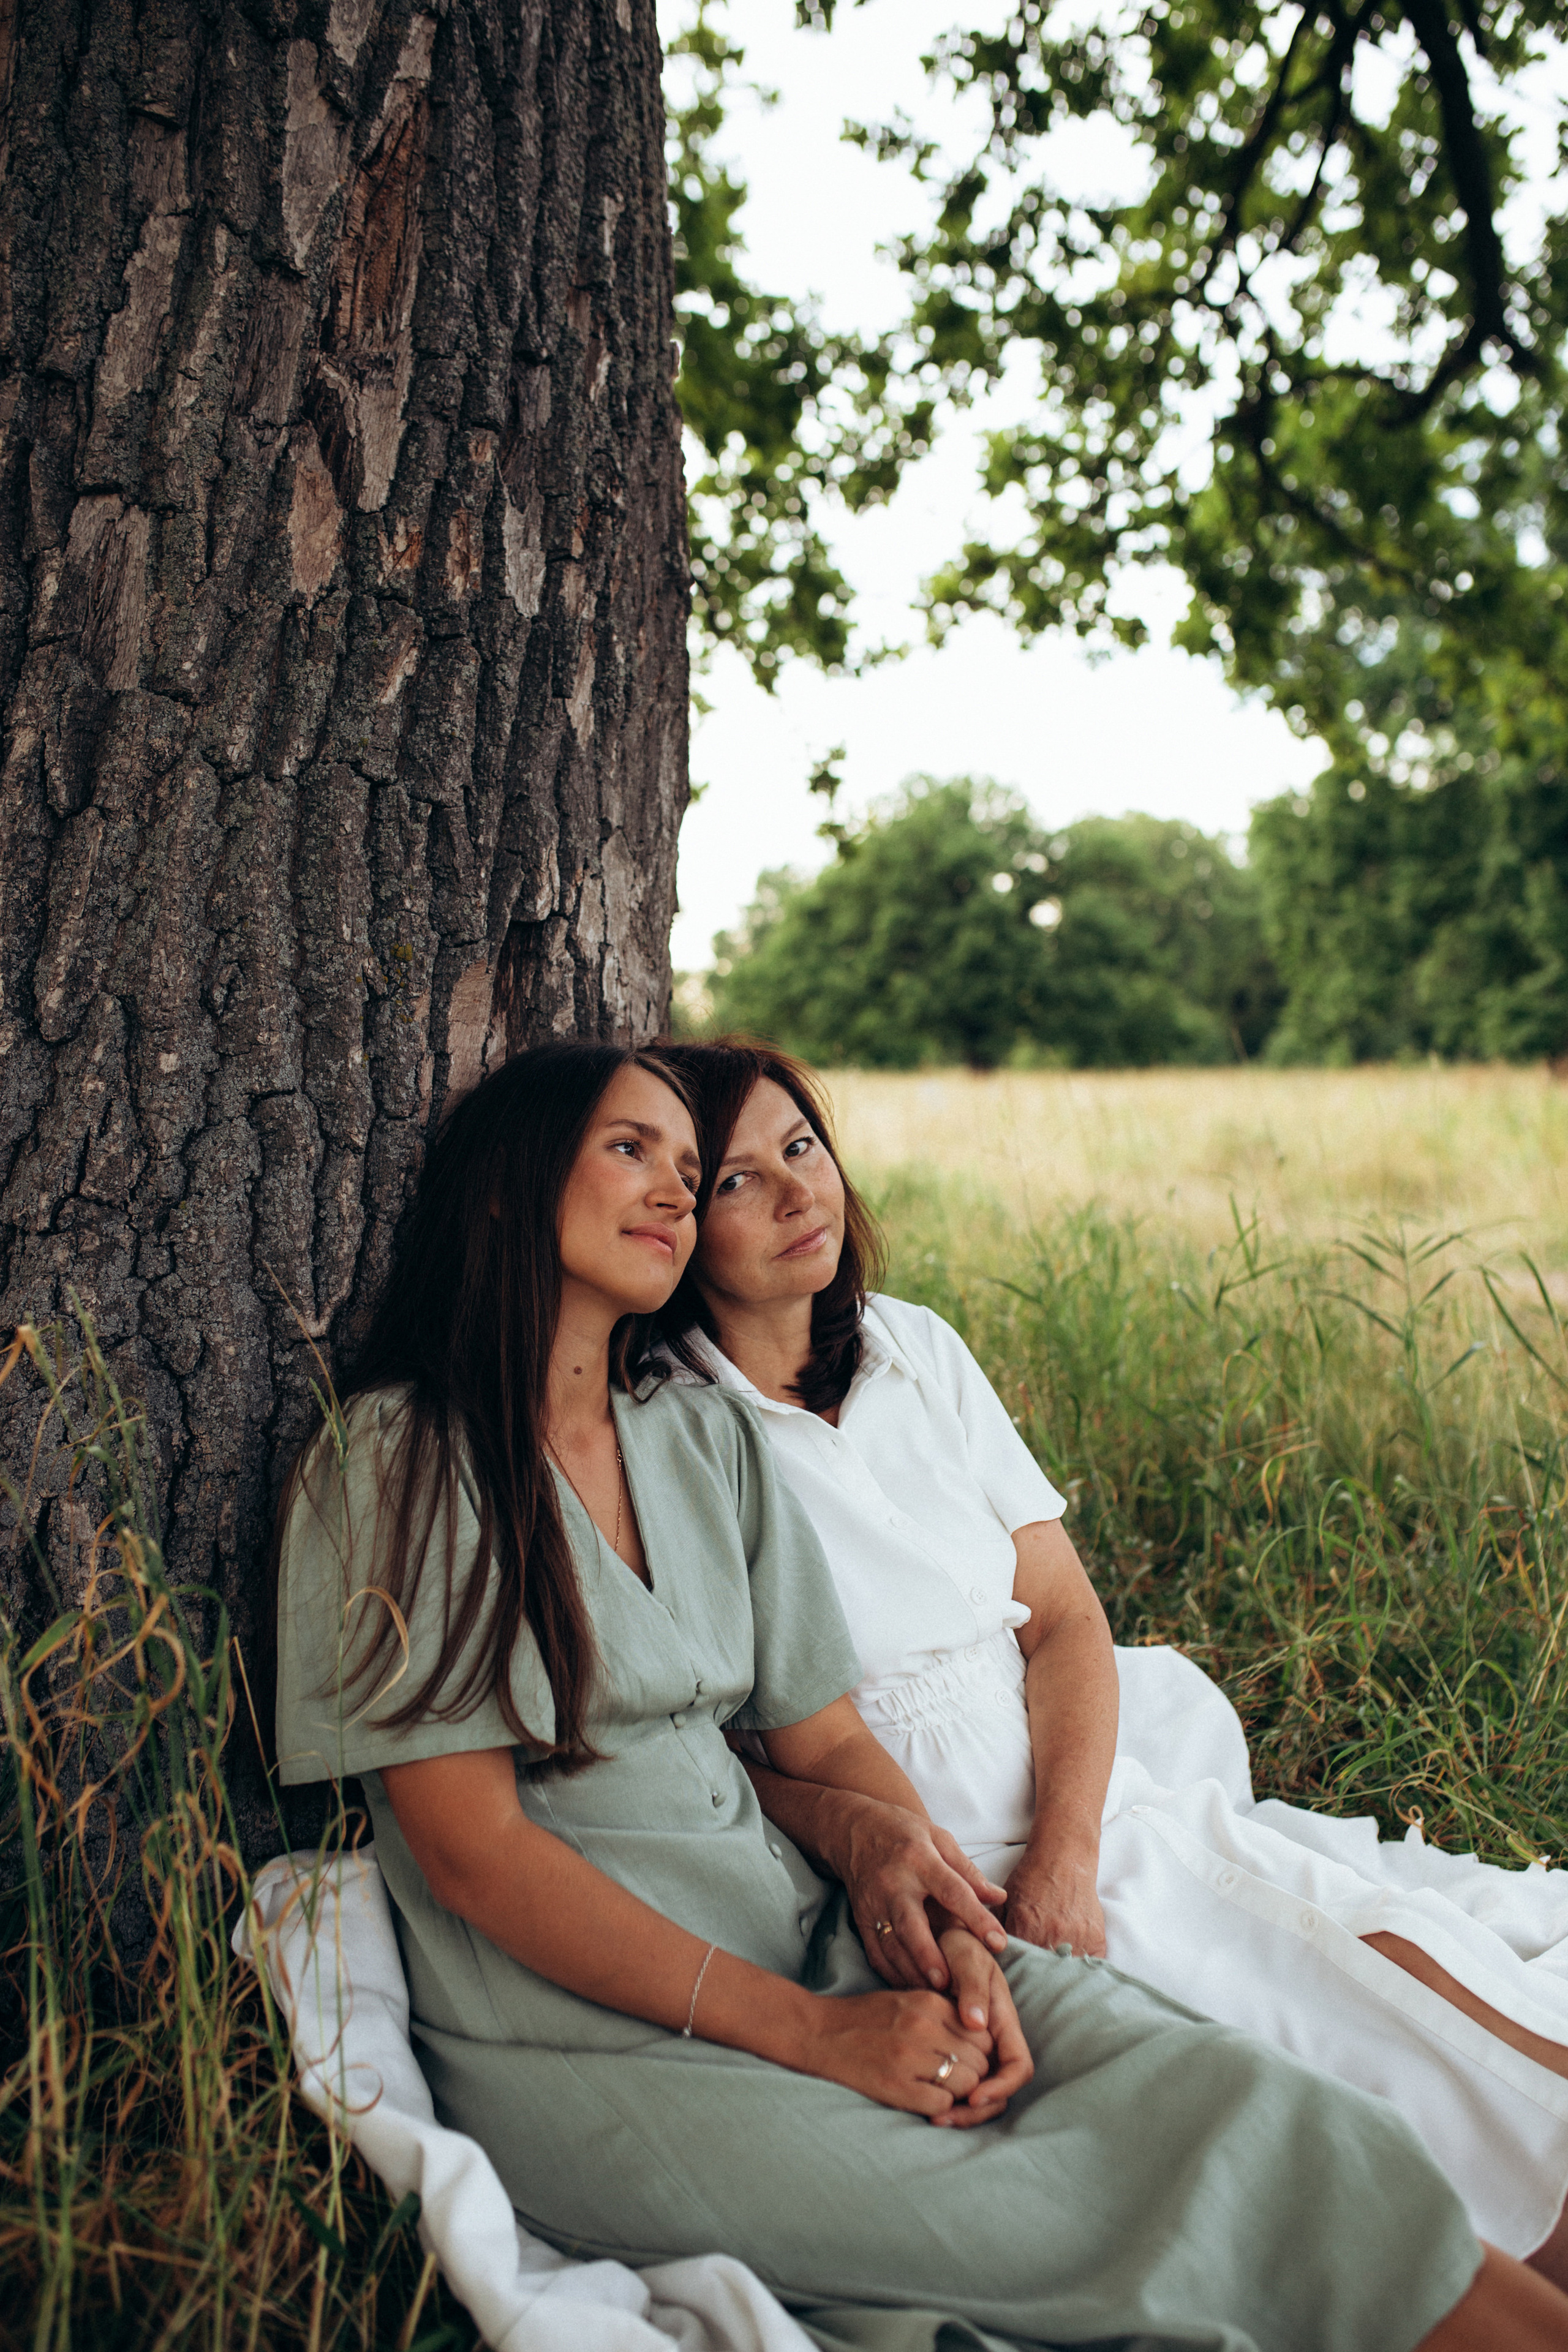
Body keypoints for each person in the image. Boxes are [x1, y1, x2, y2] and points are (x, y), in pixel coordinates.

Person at [273, 1041, 1556, 2352]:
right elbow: (475, 1856)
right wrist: (821, 2038)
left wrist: (930, 1905)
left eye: (679, 1160)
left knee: (1257, 2102)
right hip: (596, 2042)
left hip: (813, 1930)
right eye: (629, 1150)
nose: (668, 1187)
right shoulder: (396, 1465)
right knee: (1104, 2220)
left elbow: (822, 1734)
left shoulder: (693, 1436)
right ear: (502, 1191)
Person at [653, 1036, 1568, 2286]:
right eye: (737, 1182)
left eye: (800, 1147)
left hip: (1079, 1800)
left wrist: (1067, 1854)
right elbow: (705, 1750)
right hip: (907, 1860)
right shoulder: (674, 1433)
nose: (799, 1194)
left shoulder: (913, 1349)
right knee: (1300, 2098)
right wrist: (929, 1872)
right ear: (676, 1230)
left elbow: (1066, 1623)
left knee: (1393, 1983)